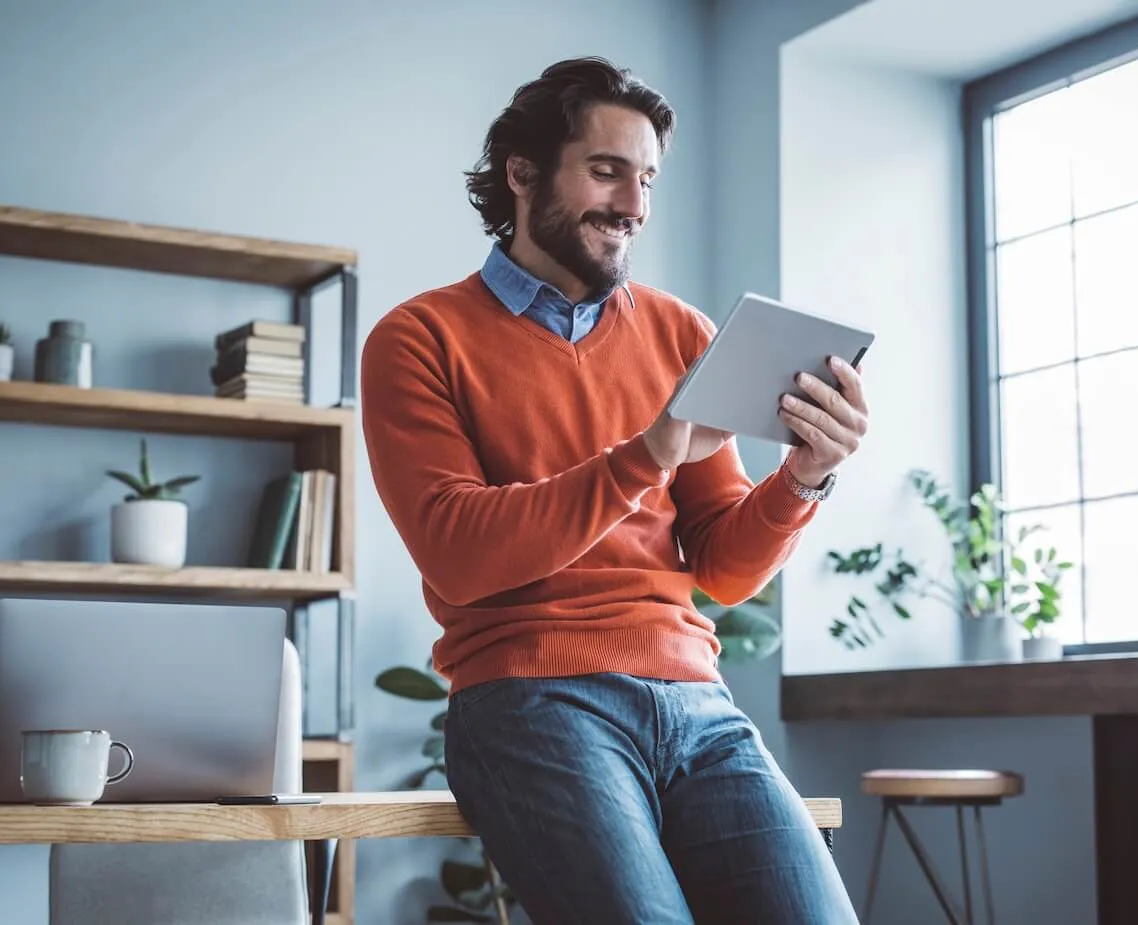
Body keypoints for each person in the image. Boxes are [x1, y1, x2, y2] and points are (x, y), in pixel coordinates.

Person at [360, 56, 866, 925]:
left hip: (698, 703)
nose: (633, 204)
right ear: (522, 175)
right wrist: (644, 455)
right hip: (531, 699)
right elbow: (458, 549)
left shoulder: (681, 332)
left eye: (647, 179)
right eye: (605, 171)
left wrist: (803, 475)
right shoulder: (418, 339)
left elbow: (724, 568)